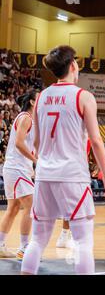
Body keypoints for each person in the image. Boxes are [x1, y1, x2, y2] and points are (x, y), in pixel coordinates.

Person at [21, 45, 105, 275]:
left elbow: (37, 142)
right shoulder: (84, 97)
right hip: (72, 175)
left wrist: (43, 164)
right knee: (83, 241)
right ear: (73, 65)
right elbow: (96, 140)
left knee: (38, 240)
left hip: (44, 174)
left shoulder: (41, 97)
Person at [0, 91, 37, 260]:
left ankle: (0, 245)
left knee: (13, 208)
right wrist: (36, 160)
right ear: (31, 101)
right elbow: (19, 143)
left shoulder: (30, 119)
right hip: (16, 168)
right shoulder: (26, 118)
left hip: (16, 169)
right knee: (31, 204)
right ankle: (24, 248)